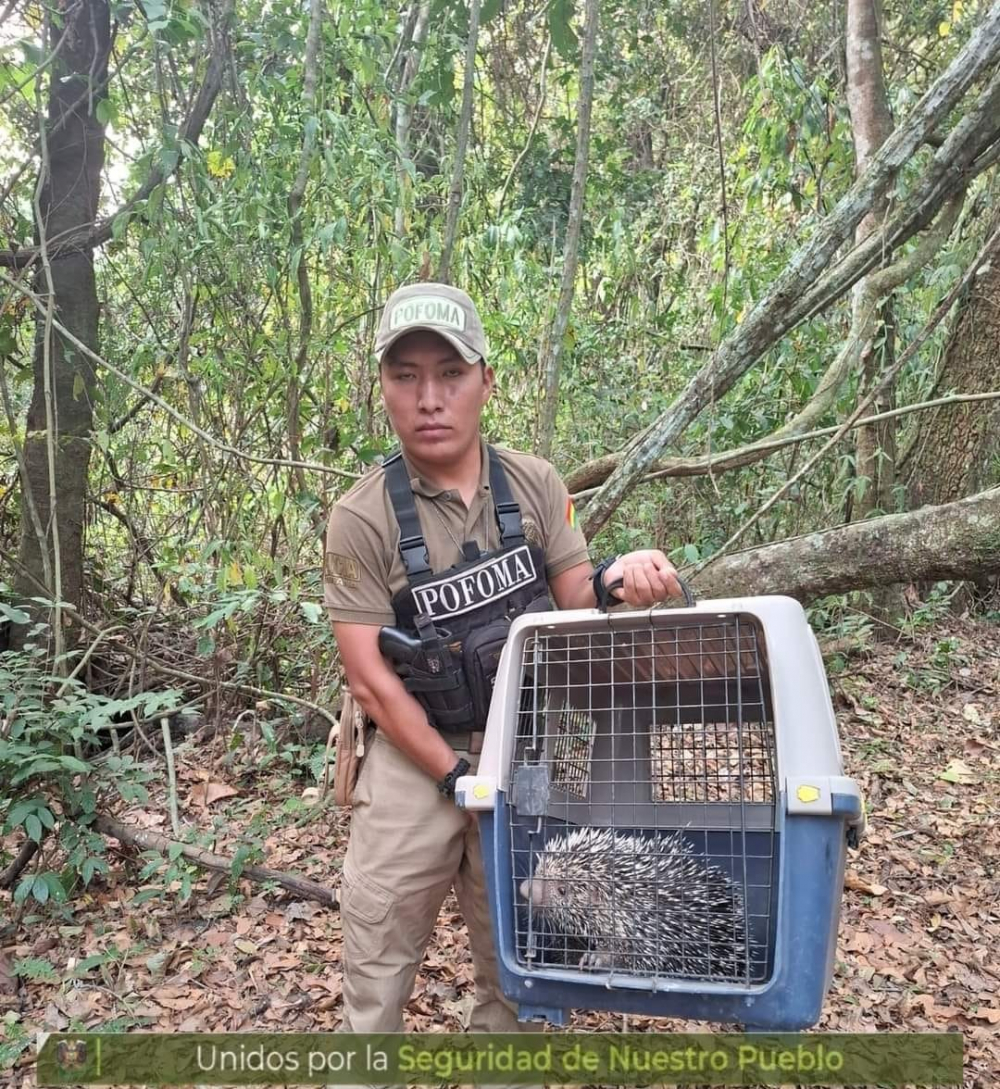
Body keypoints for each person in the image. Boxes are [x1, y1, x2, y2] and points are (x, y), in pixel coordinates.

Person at [323, 282, 683, 1039]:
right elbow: (368, 678)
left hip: (521, 755)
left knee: (519, 968)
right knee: (377, 969)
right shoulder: (361, 518)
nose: (430, 398)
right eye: (406, 375)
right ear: (381, 386)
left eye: (450, 374)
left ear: (486, 380)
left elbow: (577, 601)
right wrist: (455, 778)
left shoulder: (535, 484)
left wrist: (622, 580)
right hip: (410, 763)